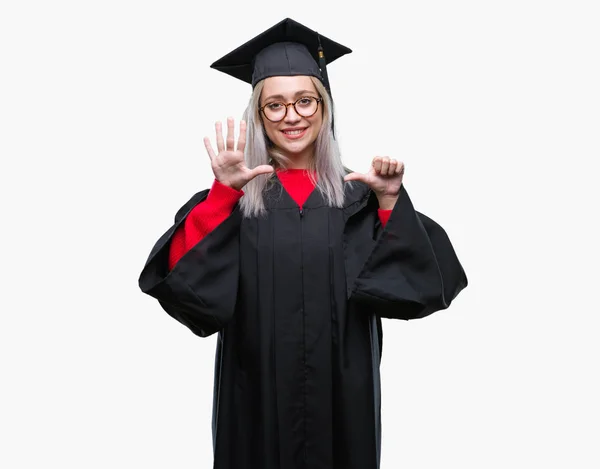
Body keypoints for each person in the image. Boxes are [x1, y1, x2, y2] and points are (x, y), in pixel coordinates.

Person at [138, 17, 468, 469]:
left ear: (325, 107)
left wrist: (390, 201)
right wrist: (223, 194)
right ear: (258, 116)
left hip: (344, 404)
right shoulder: (235, 200)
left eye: (304, 101)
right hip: (253, 399)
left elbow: (423, 286)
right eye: (274, 105)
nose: (291, 116)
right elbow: (184, 291)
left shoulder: (359, 197)